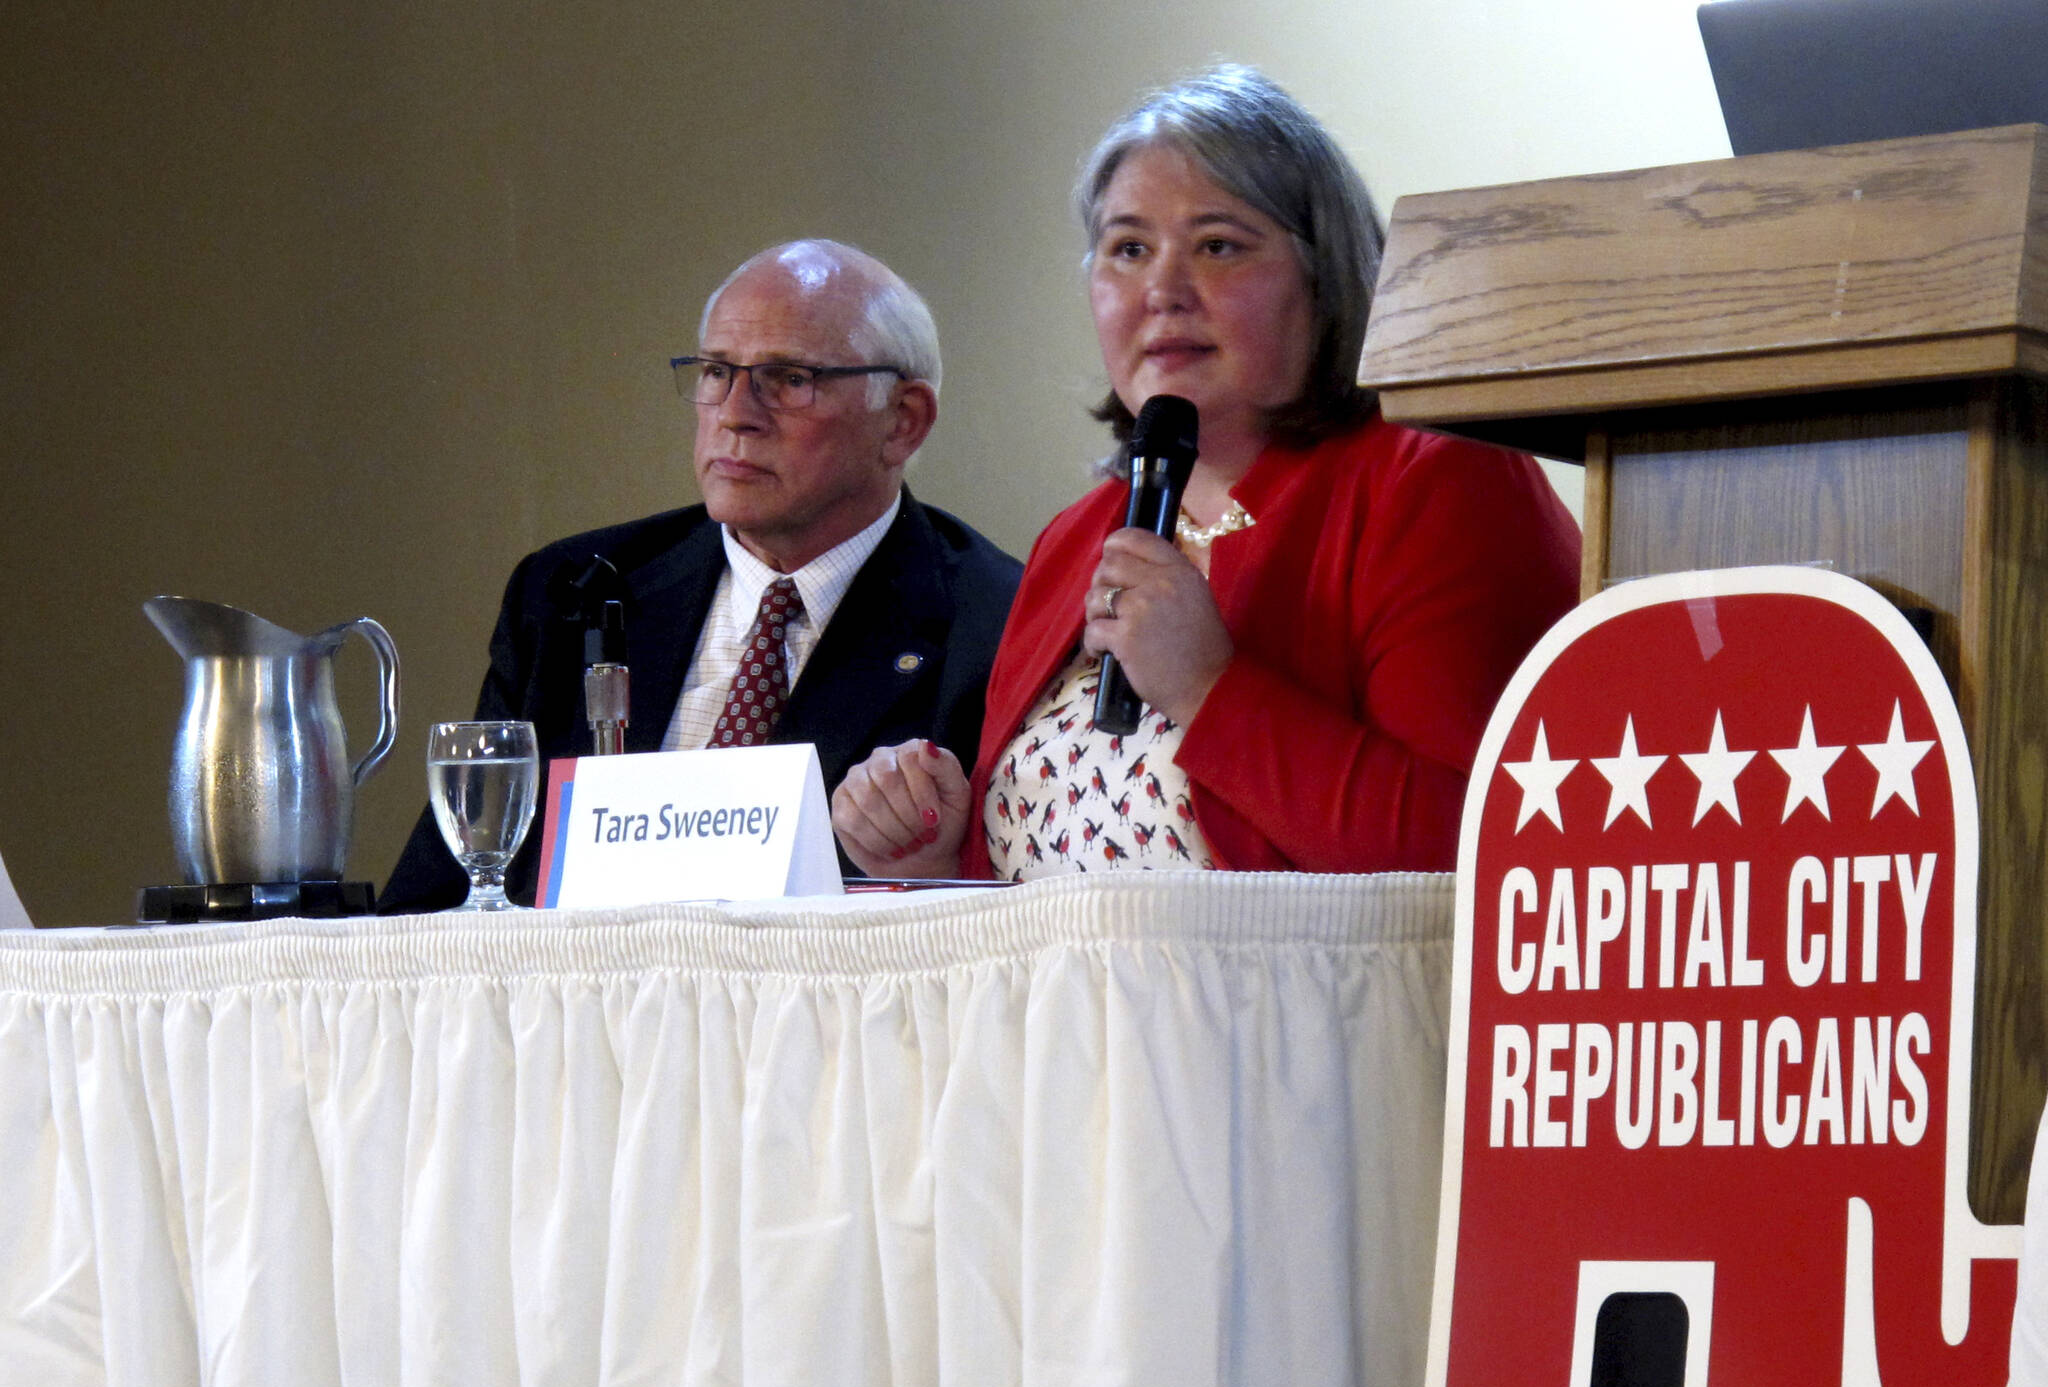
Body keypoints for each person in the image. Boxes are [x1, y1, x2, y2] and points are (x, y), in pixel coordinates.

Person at [831, 66, 1579, 880]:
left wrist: (1210, 689)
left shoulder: (1438, 483)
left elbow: (1487, 851)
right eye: (1128, 249)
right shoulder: (1076, 539)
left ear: (1324, 276)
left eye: (1218, 245)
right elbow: (1038, 877)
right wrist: (940, 850)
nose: (1162, 290)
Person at [382, 239, 1022, 911]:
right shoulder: (571, 594)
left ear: (903, 421)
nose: (736, 414)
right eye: (717, 371)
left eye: (789, 379)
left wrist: (933, 865)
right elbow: (431, 909)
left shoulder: (994, 625)